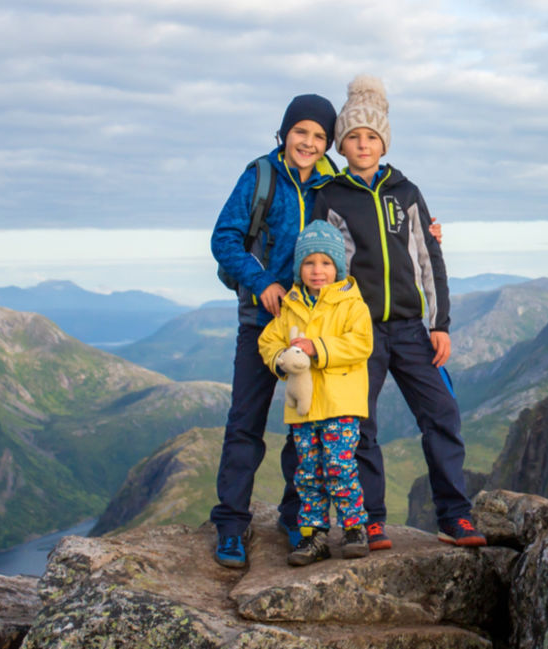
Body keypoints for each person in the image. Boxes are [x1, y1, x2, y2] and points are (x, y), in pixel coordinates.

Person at [312, 75, 486, 548]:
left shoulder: (405, 192)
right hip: (359, 332)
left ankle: (454, 516)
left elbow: (430, 259)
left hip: (411, 329)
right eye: (353, 137)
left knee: (441, 414)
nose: (363, 144)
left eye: (371, 137)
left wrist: (440, 325)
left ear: (383, 142)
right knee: (360, 423)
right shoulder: (330, 197)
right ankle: (370, 519)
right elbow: (323, 268)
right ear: (342, 145)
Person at [208, 94, 340, 568]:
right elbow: (223, 238)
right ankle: (230, 523)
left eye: (319, 136)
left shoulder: (333, 183)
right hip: (261, 322)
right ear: (285, 132)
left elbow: (367, 232)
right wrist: (262, 281)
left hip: (309, 326)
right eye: (301, 132)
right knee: (245, 424)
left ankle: (295, 514)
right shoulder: (260, 176)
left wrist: (426, 233)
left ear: (328, 143)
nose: (308, 142)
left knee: (304, 425)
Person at [258, 222, 373, 566]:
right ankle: (314, 536)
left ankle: (355, 529)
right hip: (303, 409)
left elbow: (361, 343)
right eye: (309, 263)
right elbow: (268, 341)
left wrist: (316, 348)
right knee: (307, 472)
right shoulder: (291, 306)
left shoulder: (352, 304)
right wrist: (282, 359)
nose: (317, 270)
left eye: (325, 263)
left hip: (340, 405)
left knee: (339, 467)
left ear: (338, 267)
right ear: (299, 268)